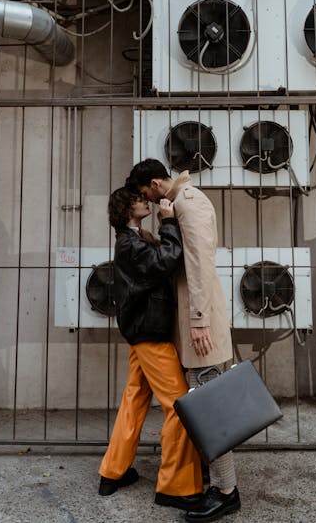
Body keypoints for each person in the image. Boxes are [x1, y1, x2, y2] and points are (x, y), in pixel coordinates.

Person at [126, 159, 241, 523]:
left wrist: (199, 322)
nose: (143, 200)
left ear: (156, 184)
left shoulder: (189, 203)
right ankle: (216, 482)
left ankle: (227, 493)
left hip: (200, 327)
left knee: (209, 412)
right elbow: (179, 260)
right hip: (193, 325)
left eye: (144, 193)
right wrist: (158, 234)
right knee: (202, 409)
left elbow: (200, 266)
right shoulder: (178, 205)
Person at [98, 186, 203, 512]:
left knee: (135, 399)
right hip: (150, 334)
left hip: (143, 332)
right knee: (180, 406)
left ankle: (112, 472)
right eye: (138, 199)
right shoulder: (130, 243)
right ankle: (175, 486)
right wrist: (169, 222)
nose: (146, 201)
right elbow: (166, 261)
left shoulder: (134, 238)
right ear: (126, 209)